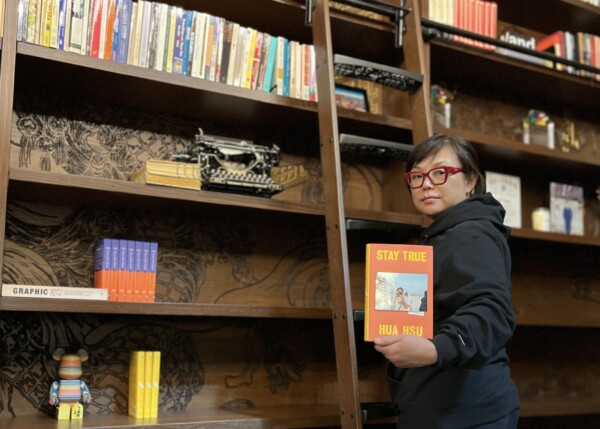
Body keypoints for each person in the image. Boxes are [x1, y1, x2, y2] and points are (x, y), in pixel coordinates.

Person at [373, 134, 520, 429]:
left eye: (440, 173)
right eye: (417, 176)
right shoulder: (443, 235)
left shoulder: (471, 233)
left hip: (466, 413)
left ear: (470, 181)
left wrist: (435, 349)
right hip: (445, 408)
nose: (426, 183)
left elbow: (493, 312)